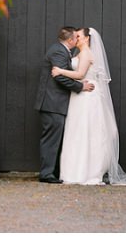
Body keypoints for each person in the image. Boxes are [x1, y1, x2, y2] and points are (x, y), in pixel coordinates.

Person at [51, 27, 126, 186]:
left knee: (86, 131)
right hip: (79, 95)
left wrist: (60, 71)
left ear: (87, 38)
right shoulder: (79, 53)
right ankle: (72, 171)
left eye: (79, 36)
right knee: (76, 131)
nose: (76, 38)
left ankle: (86, 172)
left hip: (87, 96)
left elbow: (80, 74)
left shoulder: (87, 53)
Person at [33, 26, 95, 184]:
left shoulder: (63, 51)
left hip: (56, 103)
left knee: (55, 139)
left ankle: (53, 172)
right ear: (70, 40)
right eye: (76, 37)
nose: (77, 40)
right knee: (51, 139)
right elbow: (59, 78)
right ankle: (46, 174)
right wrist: (80, 87)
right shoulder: (58, 51)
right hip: (52, 102)